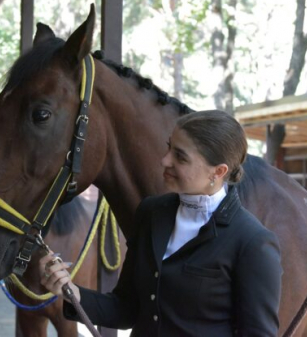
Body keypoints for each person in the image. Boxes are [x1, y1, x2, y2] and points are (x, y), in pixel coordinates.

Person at [40, 110, 282, 336]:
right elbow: (127, 309)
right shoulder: (151, 213)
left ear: (218, 172)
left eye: (180, 156)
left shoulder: (253, 242)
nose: (165, 161)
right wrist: (71, 291)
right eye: (169, 148)